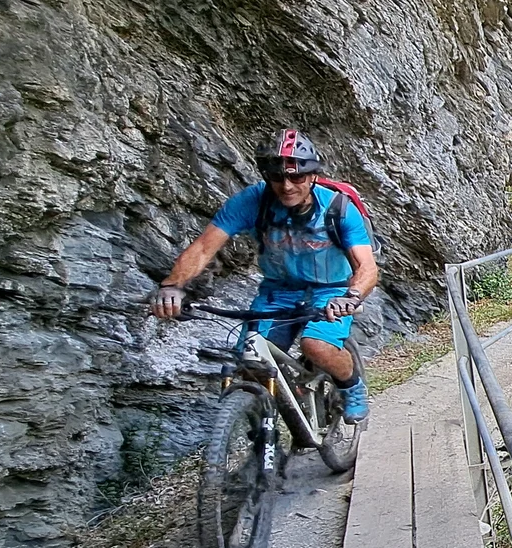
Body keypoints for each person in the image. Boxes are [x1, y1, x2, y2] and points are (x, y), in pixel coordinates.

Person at [151, 130, 378, 422]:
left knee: (316, 346)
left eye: (297, 178)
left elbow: (367, 267)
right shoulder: (252, 201)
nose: (286, 186)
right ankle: (261, 447)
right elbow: (204, 247)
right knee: (251, 361)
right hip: (278, 291)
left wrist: (351, 296)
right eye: (277, 178)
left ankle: (352, 386)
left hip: (330, 292)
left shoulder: (338, 209)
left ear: (313, 177)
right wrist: (173, 285)